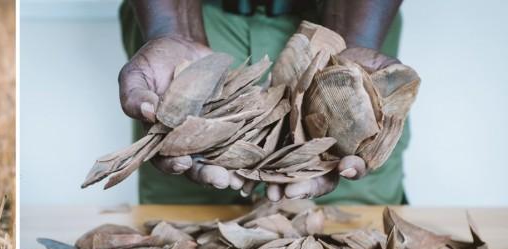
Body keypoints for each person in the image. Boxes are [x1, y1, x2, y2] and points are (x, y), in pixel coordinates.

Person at [119, 0, 406, 205]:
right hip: (180, 12)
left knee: (354, 224)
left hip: (357, 13)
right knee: (183, 223)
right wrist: (175, 32)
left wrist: (347, 48)